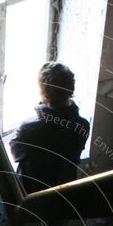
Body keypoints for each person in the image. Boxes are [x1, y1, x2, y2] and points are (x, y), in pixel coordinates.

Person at [10, 62, 90, 195]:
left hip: (33, 194)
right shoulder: (82, 125)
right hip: (64, 192)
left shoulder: (28, 130)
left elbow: (16, 154)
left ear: (45, 95)